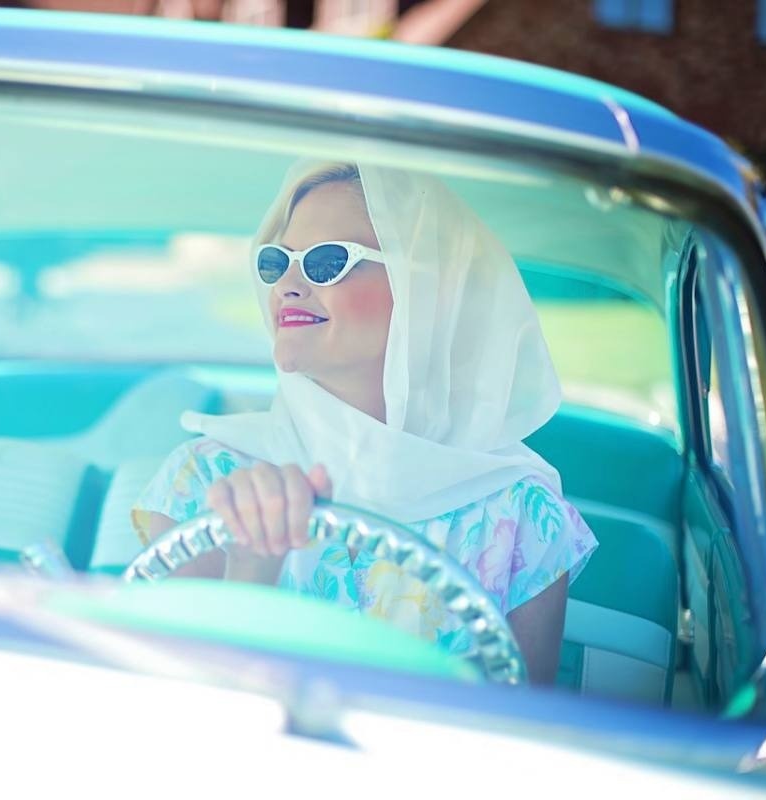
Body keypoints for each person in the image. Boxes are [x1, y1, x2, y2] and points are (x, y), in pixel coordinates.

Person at [132, 161, 597, 683]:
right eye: (275, 261)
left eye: (326, 262)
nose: (286, 283)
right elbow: (179, 717)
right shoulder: (203, 481)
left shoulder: (523, 516)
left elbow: (522, 734)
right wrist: (251, 568)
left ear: (428, 291)